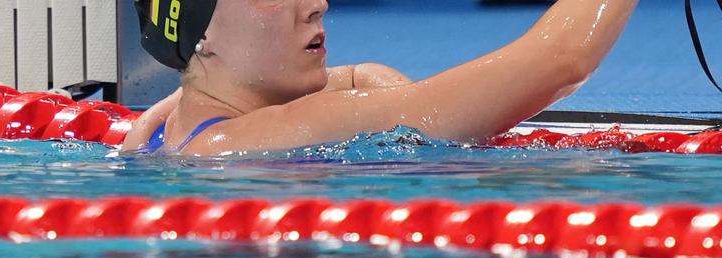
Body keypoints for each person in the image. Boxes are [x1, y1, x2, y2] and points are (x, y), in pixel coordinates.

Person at [122, 0, 639, 156]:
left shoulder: (169, 134)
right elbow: (561, 60)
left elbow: (361, 78)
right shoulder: (249, 139)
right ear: (200, 36)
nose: (316, 5)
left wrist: (388, 99)